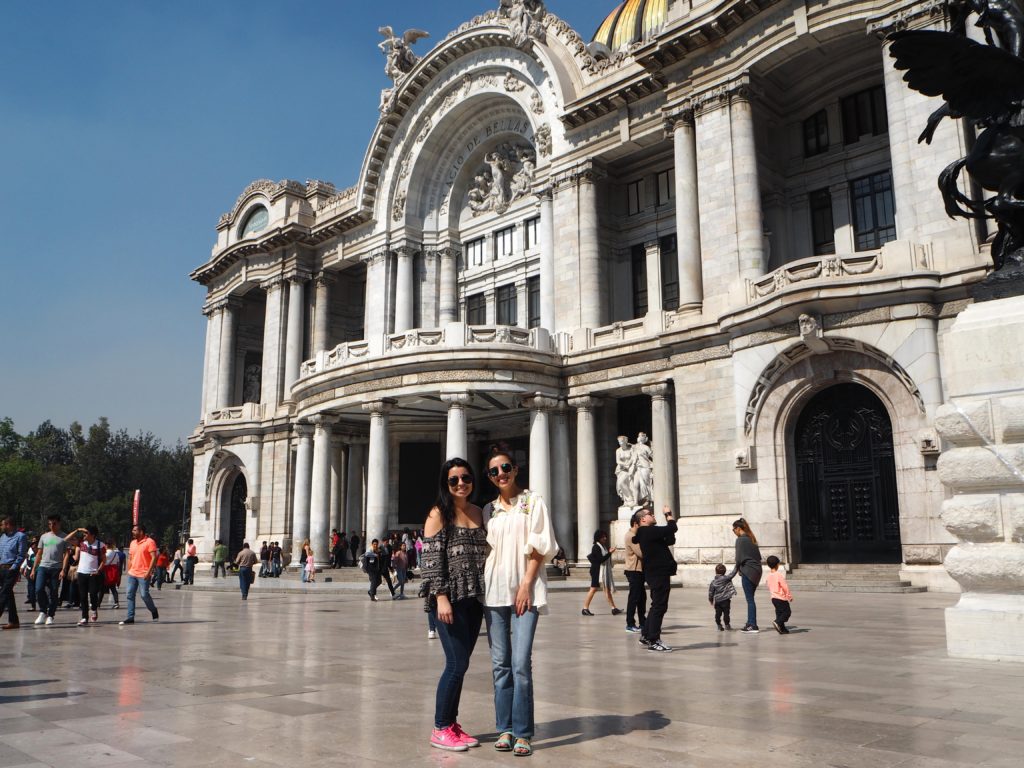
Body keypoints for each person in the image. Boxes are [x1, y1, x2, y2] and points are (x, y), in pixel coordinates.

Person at [482, 447, 558, 758]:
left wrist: (526, 584)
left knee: (520, 664)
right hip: (493, 594)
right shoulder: (488, 510)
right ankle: (505, 728)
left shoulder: (532, 502)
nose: (501, 474)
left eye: (506, 468)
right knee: (500, 666)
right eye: (494, 471)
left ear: (515, 469)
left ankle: (524, 732)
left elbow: (541, 545)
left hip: (524, 592)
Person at [421, 458, 489, 752]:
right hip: (449, 599)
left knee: (462, 666)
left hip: (474, 598)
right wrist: (440, 598)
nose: (461, 483)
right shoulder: (439, 514)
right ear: (445, 484)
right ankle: (439, 727)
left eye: (466, 478)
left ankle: (451, 723)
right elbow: (432, 561)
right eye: (454, 480)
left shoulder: (478, 512)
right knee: (455, 664)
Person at [634, 505, 677, 653]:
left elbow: (670, 539)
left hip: (657, 573)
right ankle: (654, 640)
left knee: (656, 605)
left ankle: (646, 635)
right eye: (650, 514)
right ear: (643, 519)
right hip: (658, 573)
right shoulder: (647, 531)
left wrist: (669, 532)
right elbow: (672, 527)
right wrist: (668, 514)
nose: (653, 515)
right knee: (659, 606)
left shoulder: (649, 533)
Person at [31, 514, 70, 626]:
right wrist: (34, 568)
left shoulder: (64, 537)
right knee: (38, 589)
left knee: (53, 592)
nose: (52, 526)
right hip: (43, 566)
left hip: (56, 568)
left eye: (54, 523)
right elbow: (39, 553)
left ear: (59, 523)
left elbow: (66, 555)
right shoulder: (44, 536)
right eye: (49, 524)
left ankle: (51, 615)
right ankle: (43, 611)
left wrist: (63, 570)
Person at [120, 523, 159, 625]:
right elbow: (130, 557)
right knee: (129, 594)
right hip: (132, 573)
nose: (132, 532)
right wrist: (129, 570)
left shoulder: (150, 542)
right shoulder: (132, 543)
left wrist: (149, 572)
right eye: (133, 530)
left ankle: (153, 610)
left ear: (141, 532)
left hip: (144, 574)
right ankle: (130, 617)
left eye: (134, 530)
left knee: (144, 595)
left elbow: (154, 558)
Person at [731, 518, 763, 633]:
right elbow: (758, 557)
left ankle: (753, 625)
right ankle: (750, 622)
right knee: (751, 598)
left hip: (748, 572)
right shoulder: (752, 539)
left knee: (750, 600)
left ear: (738, 528)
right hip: (757, 571)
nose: (733, 532)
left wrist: (732, 574)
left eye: (733, 529)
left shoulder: (740, 540)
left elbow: (738, 559)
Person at [582, 530, 621, 616]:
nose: (605, 538)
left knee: (607, 589)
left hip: (601, 571)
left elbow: (603, 558)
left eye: (605, 536)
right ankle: (585, 608)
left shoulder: (603, 546)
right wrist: (610, 553)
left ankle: (614, 608)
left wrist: (609, 552)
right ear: (598, 538)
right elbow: (601, 560)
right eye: (603, 537)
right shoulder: (596, 547)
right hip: (597, 571)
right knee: (593, 589)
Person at [71, 526, 105, 625]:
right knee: (83, 596)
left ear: (92, 535)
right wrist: (77, 530)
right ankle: (84, 617)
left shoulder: (100, 545)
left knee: (93, 594)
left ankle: (94, 609)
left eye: (86, 533)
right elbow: (66, 539)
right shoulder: (81, 543)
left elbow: (104, 560)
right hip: (81, 572)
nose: (84, 535)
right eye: (84, 533)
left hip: (93, 573)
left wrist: (98, 570)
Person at [0, 516, 29, 630]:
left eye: (3, 524)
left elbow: (21, 554)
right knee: (8, 595)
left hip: (11, 568)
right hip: (1, 568)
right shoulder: (2, 537)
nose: (1, 526)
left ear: (9, 525)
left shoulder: (20, 536)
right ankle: (13, 621)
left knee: (4, 593)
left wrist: (14, 567)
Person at [623, 511, 647, 633]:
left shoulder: (635, 536)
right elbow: (641, 553)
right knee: (634, 597)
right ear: (635, 524)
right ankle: (630, 623)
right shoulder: (630, 536)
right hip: (633, 570)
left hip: (639, 570)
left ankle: (643, 621)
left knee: (642, 597)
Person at [765, 555, 793, 634]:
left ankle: (782, 628)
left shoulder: (768, 576)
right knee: (787, 612)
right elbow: (785, 586)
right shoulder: (779, 575)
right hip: (781, 598)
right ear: (778, 564)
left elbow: (769, 585)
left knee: (779, 613)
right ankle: (777, 622)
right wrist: (789, 596)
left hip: (773, 598)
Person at [708, 563, 736, 631]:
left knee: (718, 614)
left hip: (718, 601)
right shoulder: (726, 578)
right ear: (725, 571)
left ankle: (719, 625)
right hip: (726, 600)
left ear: (715, 571)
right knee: (726, 614)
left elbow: (711, 592)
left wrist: (711, 600)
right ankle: (727, 625)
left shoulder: (713, 582)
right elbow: (733, 573)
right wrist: (737, 565)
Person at [102, 538, 122, 609]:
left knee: (101, 589)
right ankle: (116, 603)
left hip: (106, 572)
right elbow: (118, 563)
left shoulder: (106, 553)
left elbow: (103, 562)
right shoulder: (116, 554)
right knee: (113, 589)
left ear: (107, 545)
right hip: (113, 572)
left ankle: (97, 603)